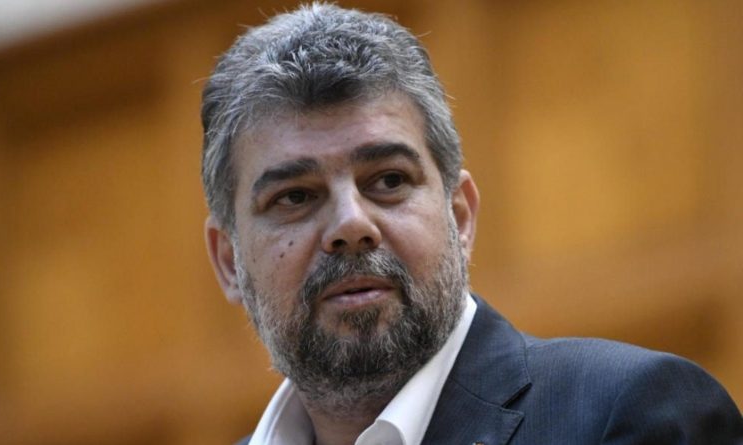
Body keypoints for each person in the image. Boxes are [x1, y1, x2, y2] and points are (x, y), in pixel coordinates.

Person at [199, 3, 743, 444]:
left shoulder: (630, 415)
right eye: (295, 196)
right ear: (229, 261)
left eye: (388, 180)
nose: (351, 223)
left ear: (459, 216)